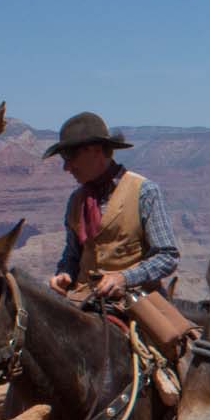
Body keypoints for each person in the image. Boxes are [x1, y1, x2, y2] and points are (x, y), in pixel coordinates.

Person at [43, 112, 179, 300]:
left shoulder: (144, 191)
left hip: (136, 299)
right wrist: (65, 273)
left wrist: (124, 278)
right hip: (83, 297)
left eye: (70, 156)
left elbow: (167, 256)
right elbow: (72, 255)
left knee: (169, 322)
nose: (66, 167)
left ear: (96, 150)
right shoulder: (76, 200)